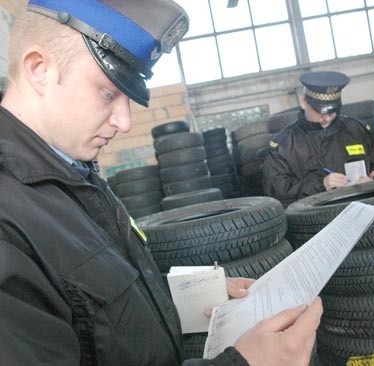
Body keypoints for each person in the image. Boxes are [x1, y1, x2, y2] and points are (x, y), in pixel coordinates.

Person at [0, 1, 323, 365]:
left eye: (128, 98)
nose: (123, 121)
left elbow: (92, 301)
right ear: (38, 69)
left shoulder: (75, 174)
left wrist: (195, 295)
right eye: (108, 94)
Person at [263, 71, 374, 207]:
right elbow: (276, 192)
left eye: (332, 112)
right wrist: (321, 184)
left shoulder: (356, 130)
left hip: (364, 210)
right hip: (314, 221)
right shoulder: (283, 144)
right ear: (303, 102)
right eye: (321, 112)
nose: (327, 118)